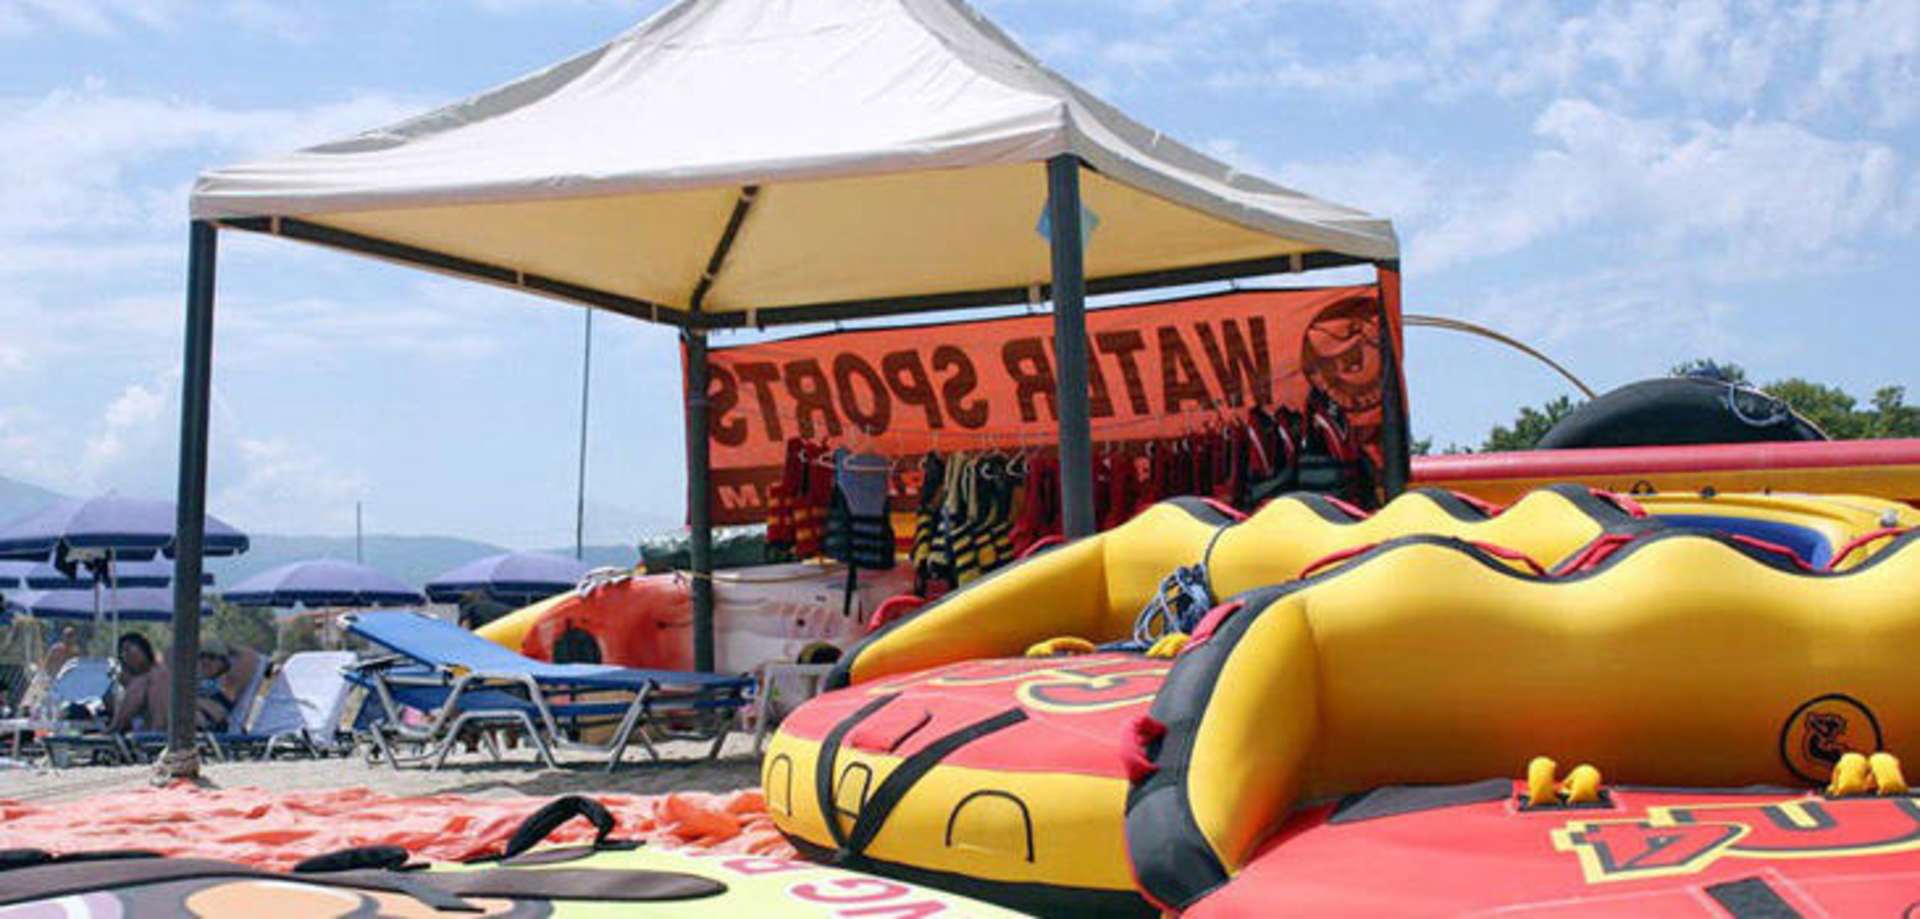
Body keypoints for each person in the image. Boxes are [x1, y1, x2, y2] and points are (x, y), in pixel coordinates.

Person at [195, 639, 267, 732]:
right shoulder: (188, 679)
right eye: (201, 656)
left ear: (223, 663)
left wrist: (224, 644)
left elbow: (250, 655)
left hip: (211, 727)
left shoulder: (227, 683)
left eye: (212, 657)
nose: (205, 661)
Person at [106, 633, 168, 733]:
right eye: (123, 653)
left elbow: (118, 723)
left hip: (156, 736)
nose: (125, 656)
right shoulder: (162, 672)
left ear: (143, 650)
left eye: (128, 650)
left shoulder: (147, 679)